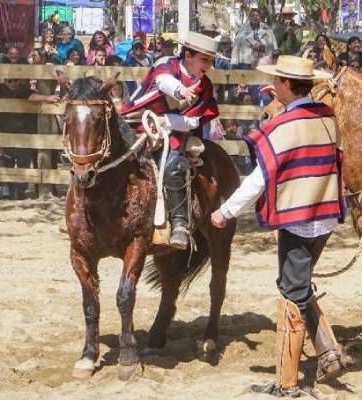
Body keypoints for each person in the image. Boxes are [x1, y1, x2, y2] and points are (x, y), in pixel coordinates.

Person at [210, 55, 345, 397]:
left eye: (277, 83)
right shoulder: (326, 116)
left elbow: (260, 178)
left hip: (299, 219)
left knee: (292, 293)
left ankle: (288, 383)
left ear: (286, 84)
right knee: (295, 284)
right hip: (326, 213)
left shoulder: (285, 126)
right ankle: (327, 351)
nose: (273, 88)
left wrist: (226, 211)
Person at [120, 32, 220, 249]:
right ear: (188, 54)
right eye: (205, 60)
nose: (208, 66)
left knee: (174, 164)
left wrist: (165, 121)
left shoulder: (206, 85)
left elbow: (194, 121)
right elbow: (161, 81)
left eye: (211, 61)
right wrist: (181, 90)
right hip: (137, 120)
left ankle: (180, 224)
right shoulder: (167, 64)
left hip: (174, 130)